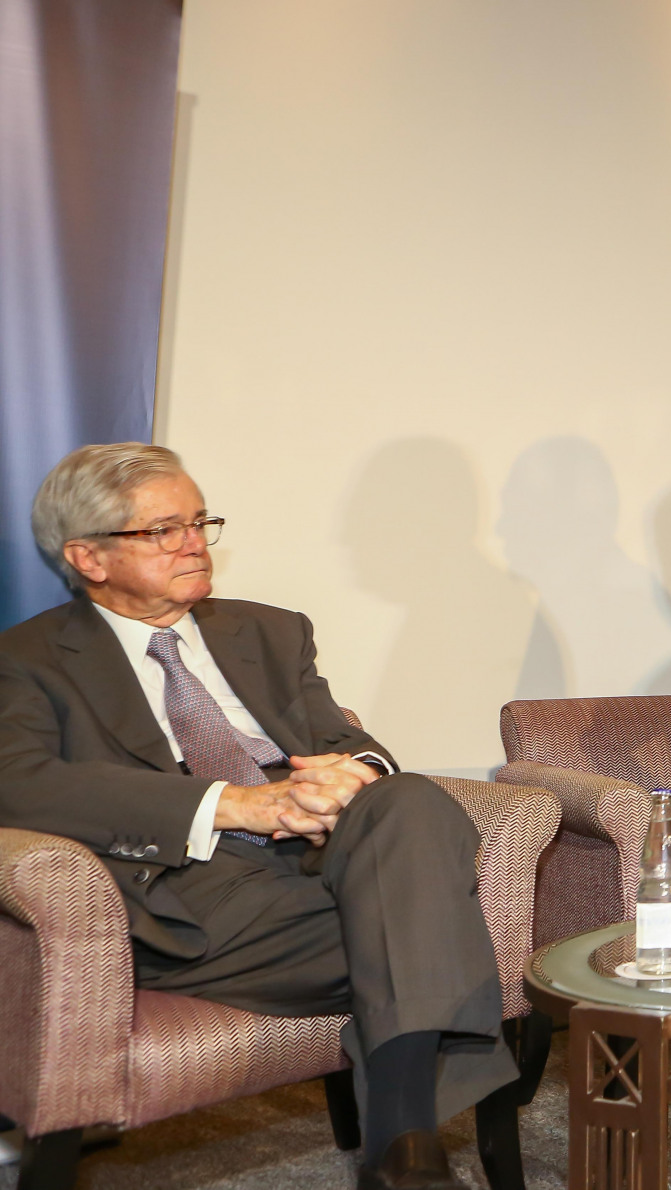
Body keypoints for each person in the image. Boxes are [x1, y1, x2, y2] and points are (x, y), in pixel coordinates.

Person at [0, 443, 518, 1190]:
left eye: (198, 522)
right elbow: (20, 785)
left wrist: (351, 775)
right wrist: (234, 803)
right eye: (162, 530)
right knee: (430, 922)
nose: (192, 543)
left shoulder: (270, 631)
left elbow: (351, 743)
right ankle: (407, 1147)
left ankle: (399, 1153)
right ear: (89, 558)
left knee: (407, 798)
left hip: (327, 848)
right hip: (189, 882)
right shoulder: (27, 659)